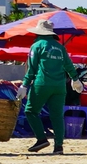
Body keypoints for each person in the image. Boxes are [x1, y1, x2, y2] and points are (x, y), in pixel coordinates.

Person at [22, 19, 79, 154]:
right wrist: (75, 79)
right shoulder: (60, 47)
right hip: (60, 86)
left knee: (31, 111)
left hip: (42, 84)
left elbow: (32, 69)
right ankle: (58, 146)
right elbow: (69, 65)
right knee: (57, 116)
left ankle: (41, 139)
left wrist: (24, 84)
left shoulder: (37, 46)